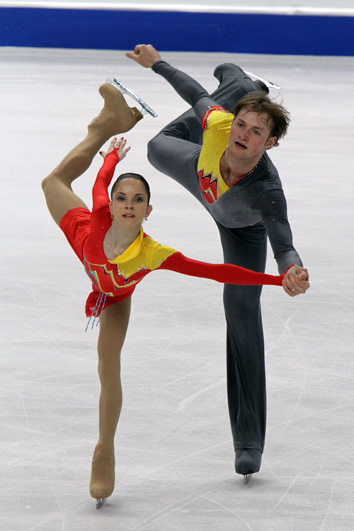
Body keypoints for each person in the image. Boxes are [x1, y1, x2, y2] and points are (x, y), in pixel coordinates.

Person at [41, 81, 289, 506]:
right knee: (53, 181)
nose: (128, 205)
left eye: (137, 200)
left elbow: (216, 271)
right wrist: (111, 155)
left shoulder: (153, 254)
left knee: (108, 364)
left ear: (148, 211)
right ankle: (106, 125)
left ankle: (104, 451)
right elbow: (100, 183)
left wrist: (275, 280)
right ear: (114, 203)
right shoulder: (98, 213)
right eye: (122, 199)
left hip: (115, 294)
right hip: (83, 240)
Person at [126, 44, 310, 481]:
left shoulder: (267, 190)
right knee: (155, 147)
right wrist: (157, 63)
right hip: (201, 175)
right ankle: (239, 84)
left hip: (242, 228)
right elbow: (192, 92)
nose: (243, 135)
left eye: (255, 133)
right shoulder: (219, 124)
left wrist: (291, 269)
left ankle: (248, 442)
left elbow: (282, 241)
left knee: (241, 311)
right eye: (241, 124)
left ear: (271, 143)